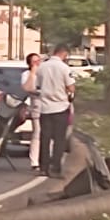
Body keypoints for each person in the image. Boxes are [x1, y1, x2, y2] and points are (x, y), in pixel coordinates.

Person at [36, 44, 76, 179]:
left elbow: (38, 85)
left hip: (45, 107)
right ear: (64, 54)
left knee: (45, 138)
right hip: (60, 107)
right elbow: (71, 88)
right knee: (59, 140)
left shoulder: (42, 67)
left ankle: (43, 167)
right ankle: (55, 168)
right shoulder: (65, 68)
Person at [21, 52, 42, 172]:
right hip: (36, 107)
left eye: (39, 61)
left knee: (49, 134)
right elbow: (27, 88)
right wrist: (33, 73)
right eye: (34, 61)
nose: (37, 63)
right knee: (37, 134)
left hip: (49, 106)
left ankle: (47, 159)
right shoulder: (27, 74)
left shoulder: (45, 73)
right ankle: (34, 161)